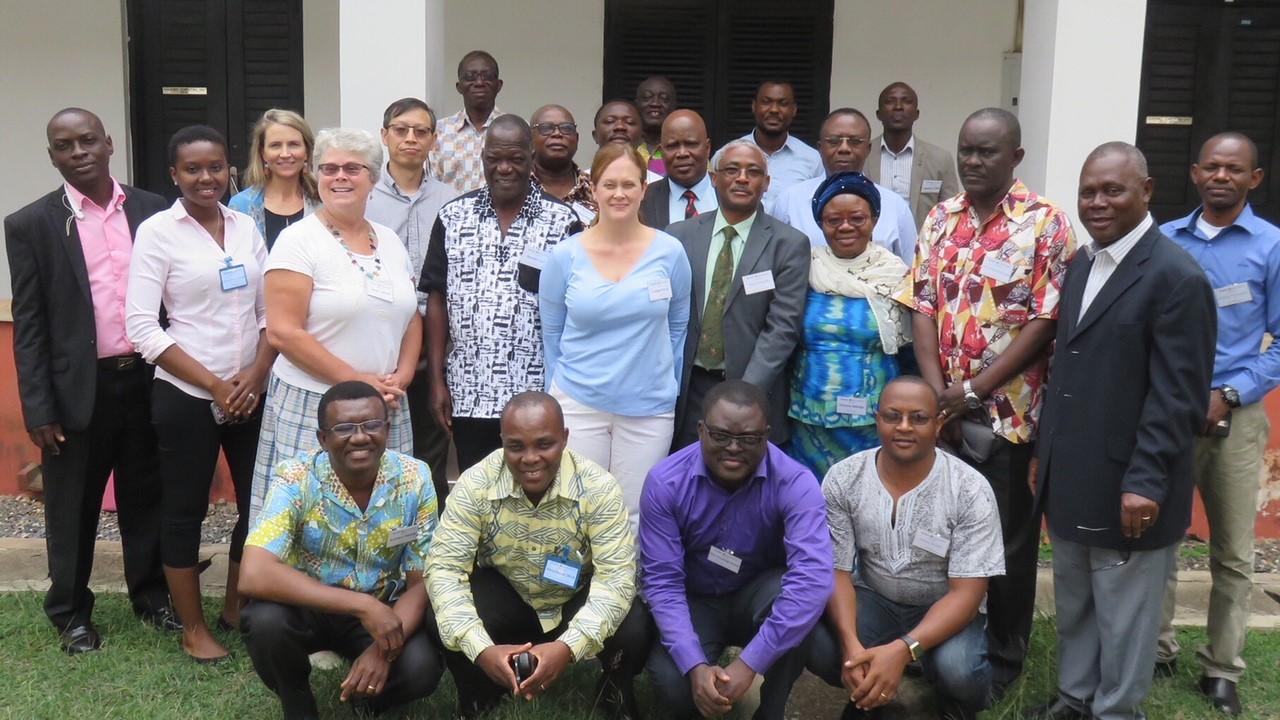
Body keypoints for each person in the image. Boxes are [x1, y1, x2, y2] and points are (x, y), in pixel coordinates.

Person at [1026, 142, 1215, 720]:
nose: (1098, 202)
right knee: (1078, 600)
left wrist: (1147, 482)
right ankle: (1076, 698)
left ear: (1147, 192)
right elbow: (1067, 365)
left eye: (1114, 190)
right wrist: (1046, 451)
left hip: (1132, 483)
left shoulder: (1176, 278)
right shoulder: (1084, 263)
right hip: (1075, 471)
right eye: (1088, 191)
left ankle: (1115, 710)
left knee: (1125, 614)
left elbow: (1177, 397)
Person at [894, 107, 1075, 694]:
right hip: (940, 417)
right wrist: (935, 397)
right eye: (967, 150)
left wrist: (973, 390)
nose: (972, 161)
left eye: (987, 152)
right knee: (939, 535)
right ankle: (941, 638)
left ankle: (1002, 659)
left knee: (1004, 544)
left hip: (1006, 419)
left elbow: (1045, 321)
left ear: (1015, 157)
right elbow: (921, 305)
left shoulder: (1046, 224)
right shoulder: (941, 217)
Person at [5, 107, 174, 654]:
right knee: (71, 504)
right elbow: (29, 324)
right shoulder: (30, 224)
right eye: (63, 145)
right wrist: (38, 407)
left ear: (108, 144)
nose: (77, 152)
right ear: (51, 155)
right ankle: (71, 612)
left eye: (87, 141)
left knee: (146, 494)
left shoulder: (154, 211)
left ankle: (151, 597)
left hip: (148, 379)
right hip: (78, 390)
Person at [125, 125, 273, 661]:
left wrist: (254, 377)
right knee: (185, 509)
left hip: (251, 390)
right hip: (187, 393)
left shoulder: (244, 226)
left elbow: (266, 314)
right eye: (193, 169)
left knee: (257, 506)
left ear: (229, 168)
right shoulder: (158, 233)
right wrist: (214, 384)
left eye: (215, 167)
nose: (206, 177)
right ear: (174, 175)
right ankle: (193, 627)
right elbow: (142, 327)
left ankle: (235, 607)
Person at [1155, 132, 1280, 716]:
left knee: (1231, 550)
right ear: (1196, 173)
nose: (1222, 177)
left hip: (1235, 416)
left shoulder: (1270, 246)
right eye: (1213, 167)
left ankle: (1222, 669)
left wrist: (1229, 394)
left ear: (1254, 179)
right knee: (1158, 537)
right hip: (1167, 413)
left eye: (1235, 169)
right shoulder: (1163, 240)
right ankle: (1156, 647)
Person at [425, 392, 649, 719]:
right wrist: (481, 649)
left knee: (635, 624)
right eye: (516, 446)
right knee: (441, 611)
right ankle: (480, 694)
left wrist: (568, 647)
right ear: (502, 441)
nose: (530, 458)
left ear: (565, 438)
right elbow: (444, 568)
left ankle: (614, 689)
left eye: (544, 444)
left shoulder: (599, 488)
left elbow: (616, 579)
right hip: (507, 596)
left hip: (573, 598)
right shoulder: (476, 484)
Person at [239, 381, 443, 719]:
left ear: (387, 429)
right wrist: (361, 605)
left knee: (421, 668)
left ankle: (368, 699)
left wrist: (382, 653)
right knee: (265, 622)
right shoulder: (295, 478)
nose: (360, 437)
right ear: (322, 438)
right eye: (344, 428)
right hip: (310, 606)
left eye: (371, 425)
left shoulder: (415, 478)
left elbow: (421, 580)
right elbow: (253, 573)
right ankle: (297, 701)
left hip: (382, 609)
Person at [808, 376, 1004, 720]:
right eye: (892, 416)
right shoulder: (844, 478)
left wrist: (903, 649)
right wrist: (851, 646)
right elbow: (835, 570)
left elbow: (967, 595)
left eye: (918, 418)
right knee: (822, 647)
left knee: (960, 671)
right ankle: (878, 693)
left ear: (939, 422)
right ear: (876, 417)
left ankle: (945, 702)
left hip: (944, 605)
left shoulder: (969, 489)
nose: (904, 427)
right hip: (875, 599)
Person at [251, 128, 421, 521]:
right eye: (329, 168)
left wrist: (404, 374)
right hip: (316, 405)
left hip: (386, 402)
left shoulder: (390, 241)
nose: (339, 176)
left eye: (352, 168)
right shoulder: (298, 242)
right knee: (313, 519)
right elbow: (283, 332)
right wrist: (357, 382)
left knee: (382, 514)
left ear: (373, 178)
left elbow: (411, 315)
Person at [641, 381, 833, 720]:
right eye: (721, 436)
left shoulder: (796, 483)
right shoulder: (665, 482)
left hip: (757, 593)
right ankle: (706, 693)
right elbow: (662, 583)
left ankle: (768, 711)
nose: (733, 448)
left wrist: (750, 664)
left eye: (748, 439)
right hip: (695, 598)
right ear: (701, 431)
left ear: (767, 435)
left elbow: (813, 579)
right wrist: (695, 665)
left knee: (798, 609)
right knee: (675, 684)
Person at [421, 115, 584, 471]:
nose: (505, 168)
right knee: (476, 492)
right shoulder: (452, 217)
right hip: (469, 387)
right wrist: (436, 380)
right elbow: (436, 300)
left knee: (537, 490)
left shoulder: (563, 222)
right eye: (495, 159)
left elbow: (576, 308)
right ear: (482, 158)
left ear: (531, 157)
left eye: (515, 159)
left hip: (537, 391)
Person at [540, 143, 692, 524]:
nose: (619, 193)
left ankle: (626, 585)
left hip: (648, 408)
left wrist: (667, 384)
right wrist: (557, 390)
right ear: (593, 189)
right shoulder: (565, 255)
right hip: (579, 402)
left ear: (645, 188)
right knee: (577, 507)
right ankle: (577, 585)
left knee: (636, 512)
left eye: (629, 184)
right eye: (609, 184)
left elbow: (678, 324)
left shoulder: (671, 253)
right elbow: (552, 331)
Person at [665, 139, 810, 449]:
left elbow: (783, 328)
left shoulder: (789, 244)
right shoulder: (679, 236)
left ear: (767, 183)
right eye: (732, 170)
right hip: (686, 391)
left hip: (753, 392)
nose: (742, 178)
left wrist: (745, 396)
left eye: (753, 171)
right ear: (714, 178)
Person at [787, 172, 909, 479]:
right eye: (833, 220)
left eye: (857, 218)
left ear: (874, 219)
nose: (845, 227)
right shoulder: (805, 268)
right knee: (811, 504)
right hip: (808, 417)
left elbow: (911, 352)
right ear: (820, 223)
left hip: (873, 421)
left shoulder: (896, 276)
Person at [366, 97, 458, 498]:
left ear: (433, 140)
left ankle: (430, 543)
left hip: (438, 337)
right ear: (385, 135)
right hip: (382, 339)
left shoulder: (452, 199)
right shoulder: (363, 196)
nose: (410, 138)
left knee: (431, 446)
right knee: (376, 446)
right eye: (401, 129)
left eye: (421, 131)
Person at [773, 108, 917, 265]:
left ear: (868, 149)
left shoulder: (895, 205)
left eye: (855, 142)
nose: (844, 149)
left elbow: (911, 271)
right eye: (834, 141)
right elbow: (774, 262)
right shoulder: (790, 200)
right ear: (820, 148)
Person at [863, 82, 960, 228]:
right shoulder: (862, 155)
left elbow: (950, 211)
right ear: (878, 114)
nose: (898, 107)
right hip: (871, 243)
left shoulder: (940, 159)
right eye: (890, 102)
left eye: (906, 101)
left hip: (922, 245)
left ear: (916, 114)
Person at [228, 108, 321, 248]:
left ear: (307, 151)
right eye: (275, 145)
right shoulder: (241, 206)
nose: (285, 153)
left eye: (293, 144)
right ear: (263, 153)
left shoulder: (323, 202)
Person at [741, 80, 823, 212]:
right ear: (754, 106)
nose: (774, 109)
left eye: (783, 103)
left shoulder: (813, 160)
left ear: (794, 110)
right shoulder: (728, 155)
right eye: (766, 102)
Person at [430, 50, 504, 194]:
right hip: (451, 215)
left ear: (499, 85)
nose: (479, 82)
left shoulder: (517, 131)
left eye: (487, 76)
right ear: (459, 87)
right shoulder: (438, 131)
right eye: (470, 77)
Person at [638, 110, 717, 229]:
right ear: (662, 151)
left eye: (691, 144)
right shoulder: (643, 199)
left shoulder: (726, 193)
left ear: (707, 148)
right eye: (672, 146)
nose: (682, 153)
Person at [530, 104, 596, 223]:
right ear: (530, 139)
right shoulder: (515, 187)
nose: (557, 134)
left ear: (577, 139)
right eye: (546, 128)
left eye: (567, 128)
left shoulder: (596, 190)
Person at [635, 75, 677, 176]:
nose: (655, 103)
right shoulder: (624, 148)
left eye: (664, 99)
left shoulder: (686, 152)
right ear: (637, 104)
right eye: (647, 98)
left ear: (674, 107)